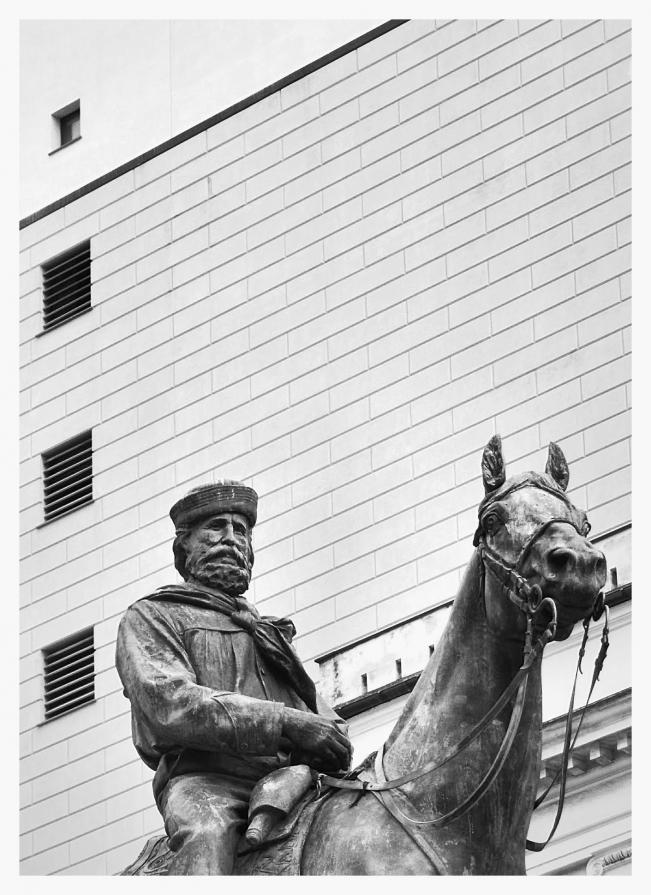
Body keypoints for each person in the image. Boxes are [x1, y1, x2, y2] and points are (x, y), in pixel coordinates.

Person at [115, 480, 352, 875]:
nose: (230, 538)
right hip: (209, 784)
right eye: (216, 527)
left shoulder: (268, 633)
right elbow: (171, 703)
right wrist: (286, 722)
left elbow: (322, 717)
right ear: (184, 546)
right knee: (206, 833)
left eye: (240, 530)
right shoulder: (154, 616)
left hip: (293, 782)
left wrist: (332, 736)